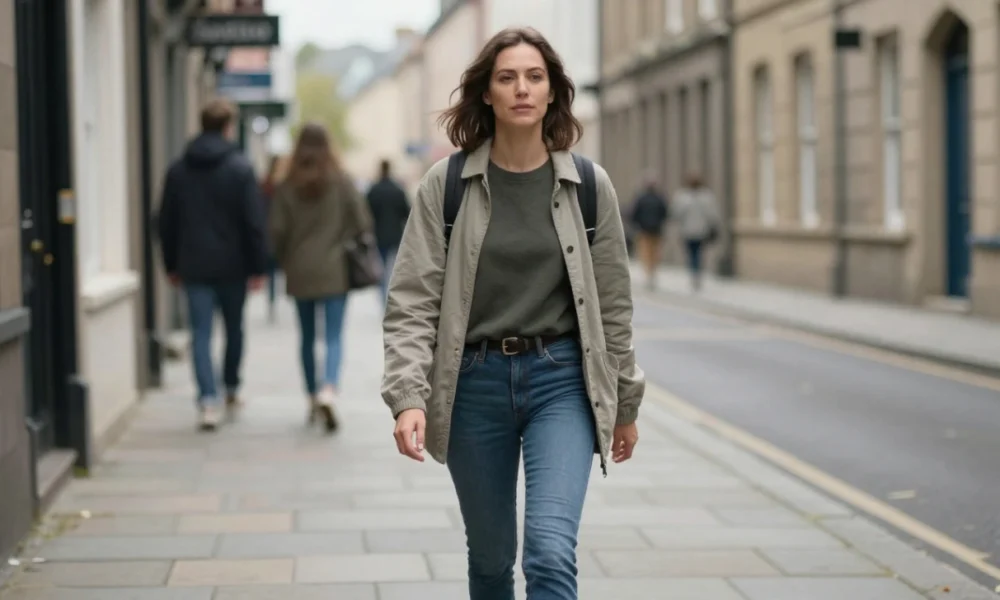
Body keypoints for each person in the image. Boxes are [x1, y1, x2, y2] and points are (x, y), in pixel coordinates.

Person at [381, 27, 644, 600]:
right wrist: (407, 397)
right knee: (493, 560)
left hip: (561, 383)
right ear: (487, 94)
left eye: (535, 77)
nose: (522, 88)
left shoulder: (589, 187)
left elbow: (614, 306)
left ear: (552, 93)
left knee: (549, 553)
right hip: (473, 385)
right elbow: (411, 303)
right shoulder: (446, 185)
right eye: (507, 78)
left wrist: (625, 403)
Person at [158, 98, 268, 431]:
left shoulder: (178, 170)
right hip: (233, 266)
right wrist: (259, 266)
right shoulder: (240, 168)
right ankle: (231, 387)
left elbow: (165, 221)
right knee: (233, 329)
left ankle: (208, 400)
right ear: (227, 127)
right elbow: (254, 222)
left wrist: (171, 264)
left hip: (193, 265)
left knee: (201, 333)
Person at [269, 122, 373, 432]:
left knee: (306, 337)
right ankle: (329, 389)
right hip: (334, 269)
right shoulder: (340, 182)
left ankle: (312, 396)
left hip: (299, 270)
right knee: (333, 336)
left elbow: (276, 231)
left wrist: (286, 257)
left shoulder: (287, 184)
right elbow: (362, 221)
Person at [365, 159, 411, 302]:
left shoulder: (374, 190)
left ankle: (383, 297)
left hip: (379, 236)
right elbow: (407, 213)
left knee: (382, 268)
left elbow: (366, 214)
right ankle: (394, 297)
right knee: (396, 269)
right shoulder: (398, 190)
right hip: (397, 236)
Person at [673, 172, 722, 291]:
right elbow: (712, 214)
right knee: (697, 253)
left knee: (692, 254)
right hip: (699, 231)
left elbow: (676, 214)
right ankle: (696, 273)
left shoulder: (682, 197)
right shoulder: (706, 196)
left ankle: (694, 274)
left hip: (690, 231)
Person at [260, 154, 289, 322]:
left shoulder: (267, 186)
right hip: (274, 235)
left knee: (272, 272)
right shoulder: (283, 187)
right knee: (273, 271)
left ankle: (272, 301)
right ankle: (272, 301)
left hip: (269, 234)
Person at [629, 175, 669, 290]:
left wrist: (636, 224)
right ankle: (653, 271)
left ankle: (648, 272)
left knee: (645, 252)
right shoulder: (660, 198)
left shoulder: (641, 198)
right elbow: (665, 213)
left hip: (644, 230)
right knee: (655, 252)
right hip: (657, 229)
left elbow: (634, 213)